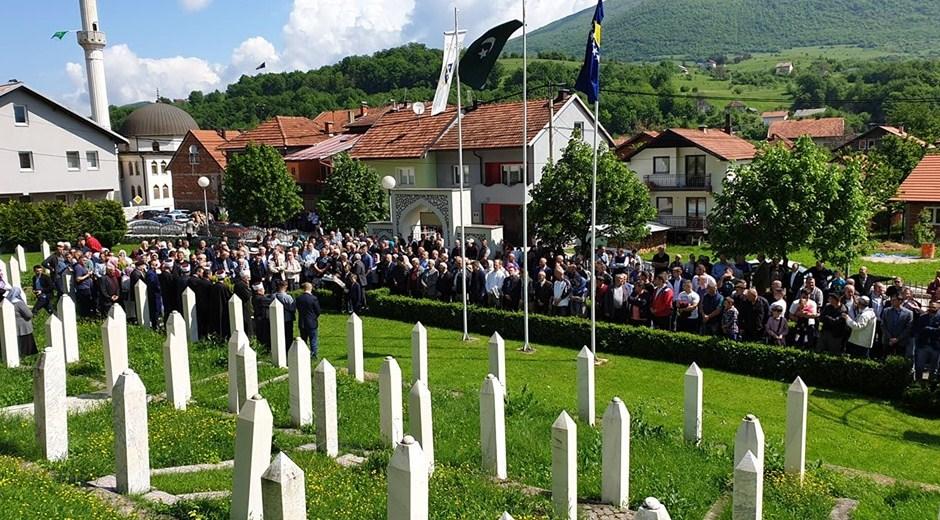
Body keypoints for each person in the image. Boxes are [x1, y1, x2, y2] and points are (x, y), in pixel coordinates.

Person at [881, 294, 914, 359]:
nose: (891, 302)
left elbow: (908, 328)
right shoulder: (886, 311)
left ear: (900, 301)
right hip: (888, 341)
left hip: (901, 342)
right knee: (886, 359)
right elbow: (883, 325)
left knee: (900, 360)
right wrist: (890, 338)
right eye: (891, 300)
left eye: (894, 300)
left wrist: (897, 339)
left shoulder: (909, 313)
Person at [7, 288, 37, 357]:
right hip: (24, 326)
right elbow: (29, 314)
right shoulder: (19, 303)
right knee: (27, 342)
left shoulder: (9, 302)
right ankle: (28, 355)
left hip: (15, 325)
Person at [295, 283, 321, 358]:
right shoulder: (313, 298)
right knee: (313, 340)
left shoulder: (299, 298)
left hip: (302, 322)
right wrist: (314, 317)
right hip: (311, 322)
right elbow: (318, 311)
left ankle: (304, 354)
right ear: (311, 288)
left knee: (303, 340)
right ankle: (313, 355)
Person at [273, 281, 296, 349]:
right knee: (288, 334)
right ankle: (288, 347)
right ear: (286, 286)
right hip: (287, 318)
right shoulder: (287, 297)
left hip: (276, 317)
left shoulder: (273, 296)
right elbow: (292, 308)